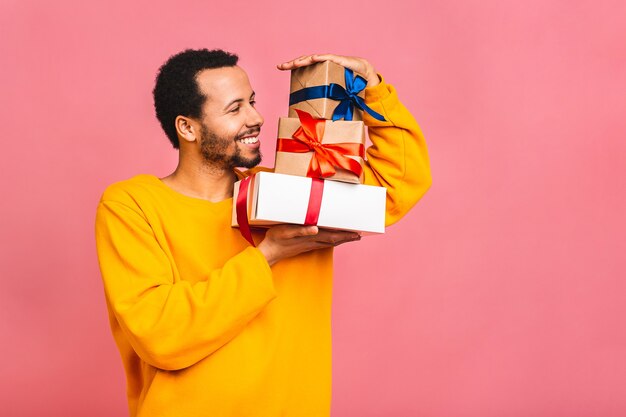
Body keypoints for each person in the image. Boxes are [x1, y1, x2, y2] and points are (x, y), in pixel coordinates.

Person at [95, 49, 431, 417]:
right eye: (235, 108)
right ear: (187, 127)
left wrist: (372, 88)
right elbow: (160, 334)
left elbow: (398, 183)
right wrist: (269, 253)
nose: (256, 118)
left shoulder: (289, 193)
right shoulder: (132, 205)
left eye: (252, 102)